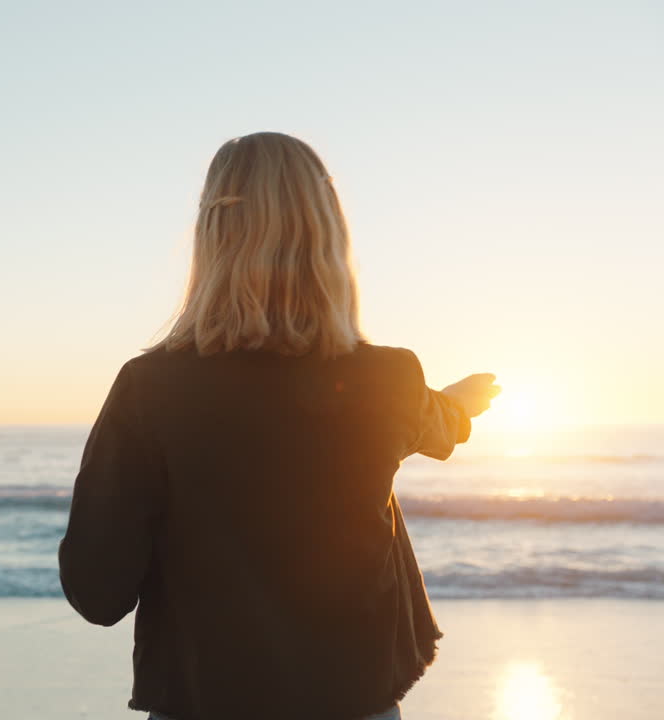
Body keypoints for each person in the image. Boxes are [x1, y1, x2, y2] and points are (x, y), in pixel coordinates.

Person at [57, 132, 500, 720]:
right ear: (330, 235)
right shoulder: (388, 379)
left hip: (201, 701)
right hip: (353, 701)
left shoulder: (151, 388)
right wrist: (461, 402)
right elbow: (440, 423)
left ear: (211, 238)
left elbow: (98, 592)